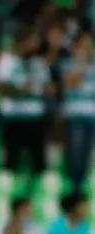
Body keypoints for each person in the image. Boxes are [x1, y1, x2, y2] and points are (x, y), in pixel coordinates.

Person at [0, 27, 50, 177]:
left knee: (38, 164)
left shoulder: (39, 63)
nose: (34, 45)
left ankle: (33, 197)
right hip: (13, 117)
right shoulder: (6, 61)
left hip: (34, 117)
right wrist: (20, 89)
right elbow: (1, 88)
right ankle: (11, 196)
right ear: (21, 43)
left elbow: (47, 87)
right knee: (11, 162)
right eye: (30, 42)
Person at [61, 31, 95, 193]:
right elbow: (71, 84)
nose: (87, 49)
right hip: (74, 116)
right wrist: (82, 67)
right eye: (84, 46)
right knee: (74, 151)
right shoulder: (67, 65)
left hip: (91, 117)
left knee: (86, 154)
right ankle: (72, 184)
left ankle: (81, 185)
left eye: (90, 46)